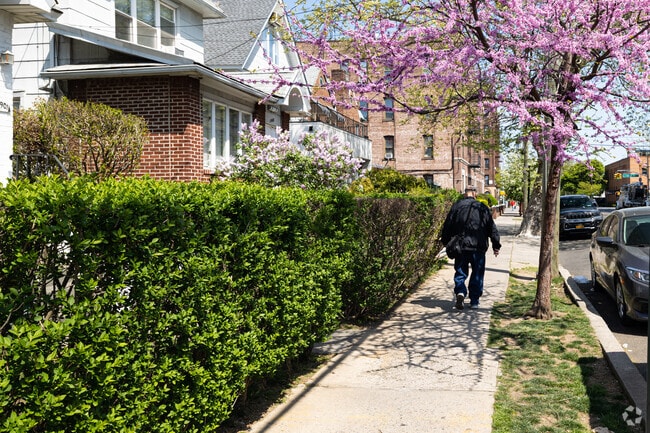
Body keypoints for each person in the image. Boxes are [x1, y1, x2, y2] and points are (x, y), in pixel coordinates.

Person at [440, 187, 501, 310]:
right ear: (475, 194)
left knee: (460, 272)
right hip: (478, 246)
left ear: (464, 195)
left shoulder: (457, 207)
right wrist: (496, 245)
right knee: (477, 273)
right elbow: (491, 227)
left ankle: (460, 292)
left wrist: (445, 242)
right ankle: (474, 300)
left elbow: (448, 225)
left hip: (461, 247)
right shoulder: (482, 208)